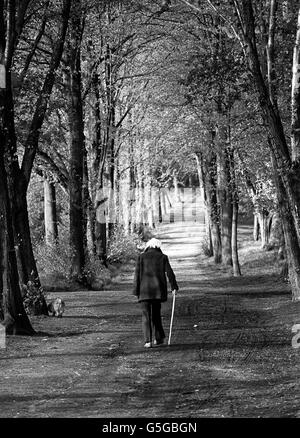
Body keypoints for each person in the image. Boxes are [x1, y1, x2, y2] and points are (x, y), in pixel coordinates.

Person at [133, 238, 179, 348]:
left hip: (144, 292)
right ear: (158, 247)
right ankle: (158, 338)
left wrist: (136, 291)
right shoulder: (163, 257)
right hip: (157, 293)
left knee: (146, 316)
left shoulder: (141, 257)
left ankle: (148, 341)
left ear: (148, 246)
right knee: (156, 315)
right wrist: (174, 287)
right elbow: (170, 273)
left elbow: (137, 275)